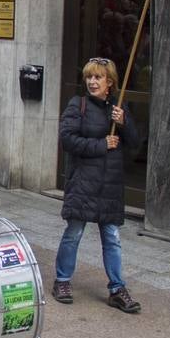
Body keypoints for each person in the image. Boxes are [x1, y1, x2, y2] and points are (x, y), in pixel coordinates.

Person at [54, 58, 142, 314]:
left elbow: (135, 142)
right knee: (74, 233)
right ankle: (62, 280)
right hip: (84, 182)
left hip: (110, 185)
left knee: (112, 238)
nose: (92, 82)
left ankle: (117, 288)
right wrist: (101, 145)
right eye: (89, 77)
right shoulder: (77, 105)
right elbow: (68, 139)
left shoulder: (118, 106)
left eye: (98, 78)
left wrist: (124, 121)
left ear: (110, 82)